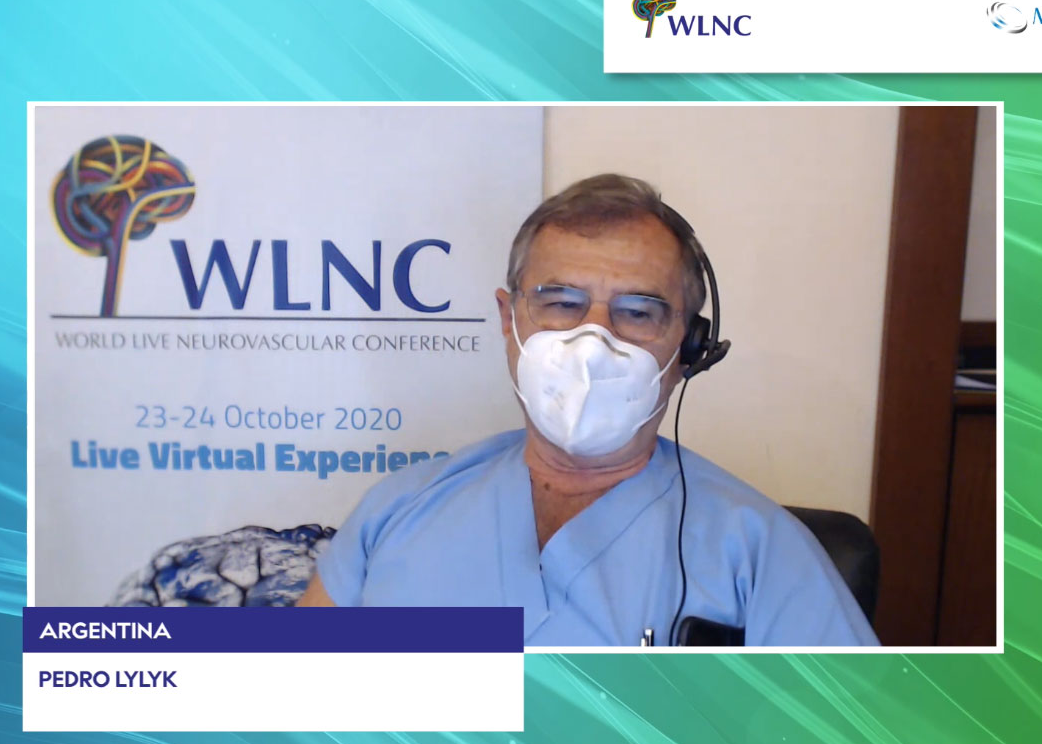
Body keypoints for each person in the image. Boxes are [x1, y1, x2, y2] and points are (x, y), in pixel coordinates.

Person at [298, 173, 878, 647]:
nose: (593, 342)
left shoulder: (763, 554)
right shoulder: (397, 510)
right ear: (509, 320)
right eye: (561, 303)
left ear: (690, 348)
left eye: (638, 312)